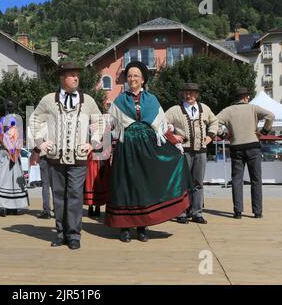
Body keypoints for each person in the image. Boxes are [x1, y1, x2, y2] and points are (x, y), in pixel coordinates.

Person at [105, 61, 192, 243]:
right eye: (129, 75)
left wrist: (174, 142)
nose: (132, 78)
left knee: (144, 186)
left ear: (143, 79)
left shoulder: (152, 100)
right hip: (126, 148)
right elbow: (110, 126)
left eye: (136, 75)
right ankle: (124, 227)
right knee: (126, 186)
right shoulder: (119, 101)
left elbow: (162, 128)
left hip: (147, 148)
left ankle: (142, 227)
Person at [29, 61, 105, 250]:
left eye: (77, 75)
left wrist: (92, 143)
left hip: (78, 157)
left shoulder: (87, 100)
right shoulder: (48, 100)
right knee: (58, 196)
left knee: (75, 195)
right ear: (62, 78)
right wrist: (41, 143)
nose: (76, 78)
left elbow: (99, 121)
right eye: (72, 75)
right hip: (55, 157)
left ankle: (74, 235)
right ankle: (61, 233)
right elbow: (34, 119)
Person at [216, 87, 274, 219]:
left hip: (236, 147)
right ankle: (257, 211)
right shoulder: (253, 108)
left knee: (237, 180)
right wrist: (264, 132)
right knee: (256, 179)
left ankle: (238, 211)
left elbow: (213, 122)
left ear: (235, 98)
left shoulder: (228, 111)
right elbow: (271, 116)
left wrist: (224, 134)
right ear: (246, 97)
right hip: (253, 146)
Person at [165, 83, 218, 224]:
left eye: (193, 93)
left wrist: (210, 136)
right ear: (183, 94)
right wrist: (173, 136)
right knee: (182, 183)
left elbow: (215, 121)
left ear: (197, 95)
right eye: (187, 92)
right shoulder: (175, 110)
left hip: (201, 151)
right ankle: (181, 212)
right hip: (183, 152)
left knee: (198, 183)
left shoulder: (205, 108)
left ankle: (197, 212)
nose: (189, 95)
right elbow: (162, 124)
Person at [0, 99, 29, 216]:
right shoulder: (12, 119)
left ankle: (6, 206)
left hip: (9, 153)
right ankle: (8, 206)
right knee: (8, 180)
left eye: (10, 106)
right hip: (8, 153)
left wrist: (0, 134)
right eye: (8, 106)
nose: (9, 108)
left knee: (4, 179)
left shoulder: (6, 120)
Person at [83, 113, 112, 217]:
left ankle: (96, 207)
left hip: (98, 158)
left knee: (97, 182)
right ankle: (92, 207)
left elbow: (108, 143)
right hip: (93, 158)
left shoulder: (104, 128)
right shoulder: (89, 127)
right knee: (92, 182)